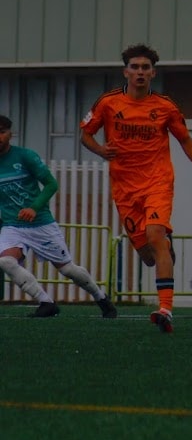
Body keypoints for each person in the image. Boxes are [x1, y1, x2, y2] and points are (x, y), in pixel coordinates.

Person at [80, 44, 192, 333]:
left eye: (145, 68)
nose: (140, 72)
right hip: (124, 188)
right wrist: (101, 151)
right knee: (148, 255)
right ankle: (165, 246)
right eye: (135, 67)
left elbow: (185, 140)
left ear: (153, 72)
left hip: (157, 181)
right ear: (125, 71)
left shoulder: (165, 107)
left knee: (155, 234)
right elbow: (85, 134)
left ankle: (165, 309)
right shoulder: (107, 103)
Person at [0, 115, 118, 318]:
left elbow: (51, 184)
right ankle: (45, 302)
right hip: (12, 225)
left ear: (10, 134)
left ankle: (101, 298)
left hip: (41, 224)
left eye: (2, 132)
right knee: (5, 262)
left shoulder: (25, 156)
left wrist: (34, 208)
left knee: (67, 269)